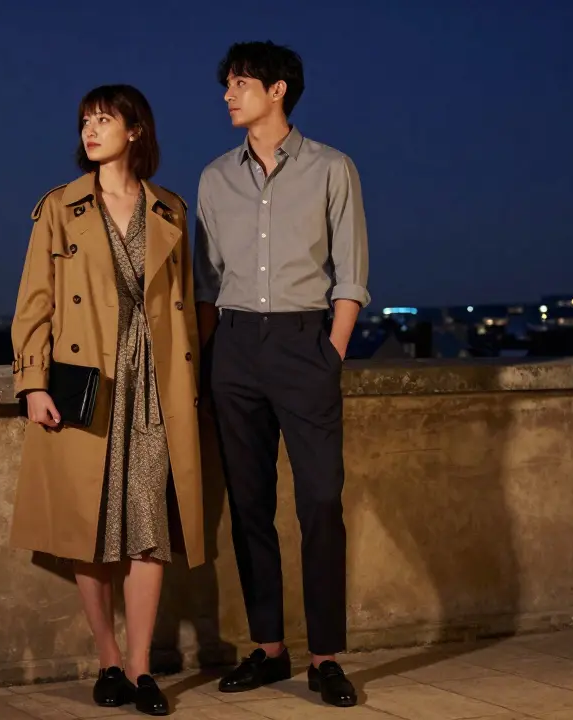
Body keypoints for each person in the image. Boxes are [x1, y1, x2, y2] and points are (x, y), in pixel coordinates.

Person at [10, 84, 205, 717]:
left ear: (136, 130)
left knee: (150, 530)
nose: (90, 131)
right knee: (86, 529)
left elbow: (188, 307)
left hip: (155, 384)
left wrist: (195, 382)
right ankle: (109, 660)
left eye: (104, 119)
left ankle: (143, 667)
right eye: (85, 121)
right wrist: (33, 383)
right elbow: (34, 302)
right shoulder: (60, 207)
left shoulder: (170, 209)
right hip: (86, 382)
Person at [193, 41, 370, 708]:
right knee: (249, 505)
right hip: (234, 346)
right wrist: (209, 360)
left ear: (277, 90)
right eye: (227, 84)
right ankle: (269, 648)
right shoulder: (215, 178)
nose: (227, 95)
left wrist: (331, 351)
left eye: (240, 83)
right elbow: (206, 284)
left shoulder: (332, 167)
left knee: (321, 501)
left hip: (305, 344)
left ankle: (325, 657)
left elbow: (351, 270)